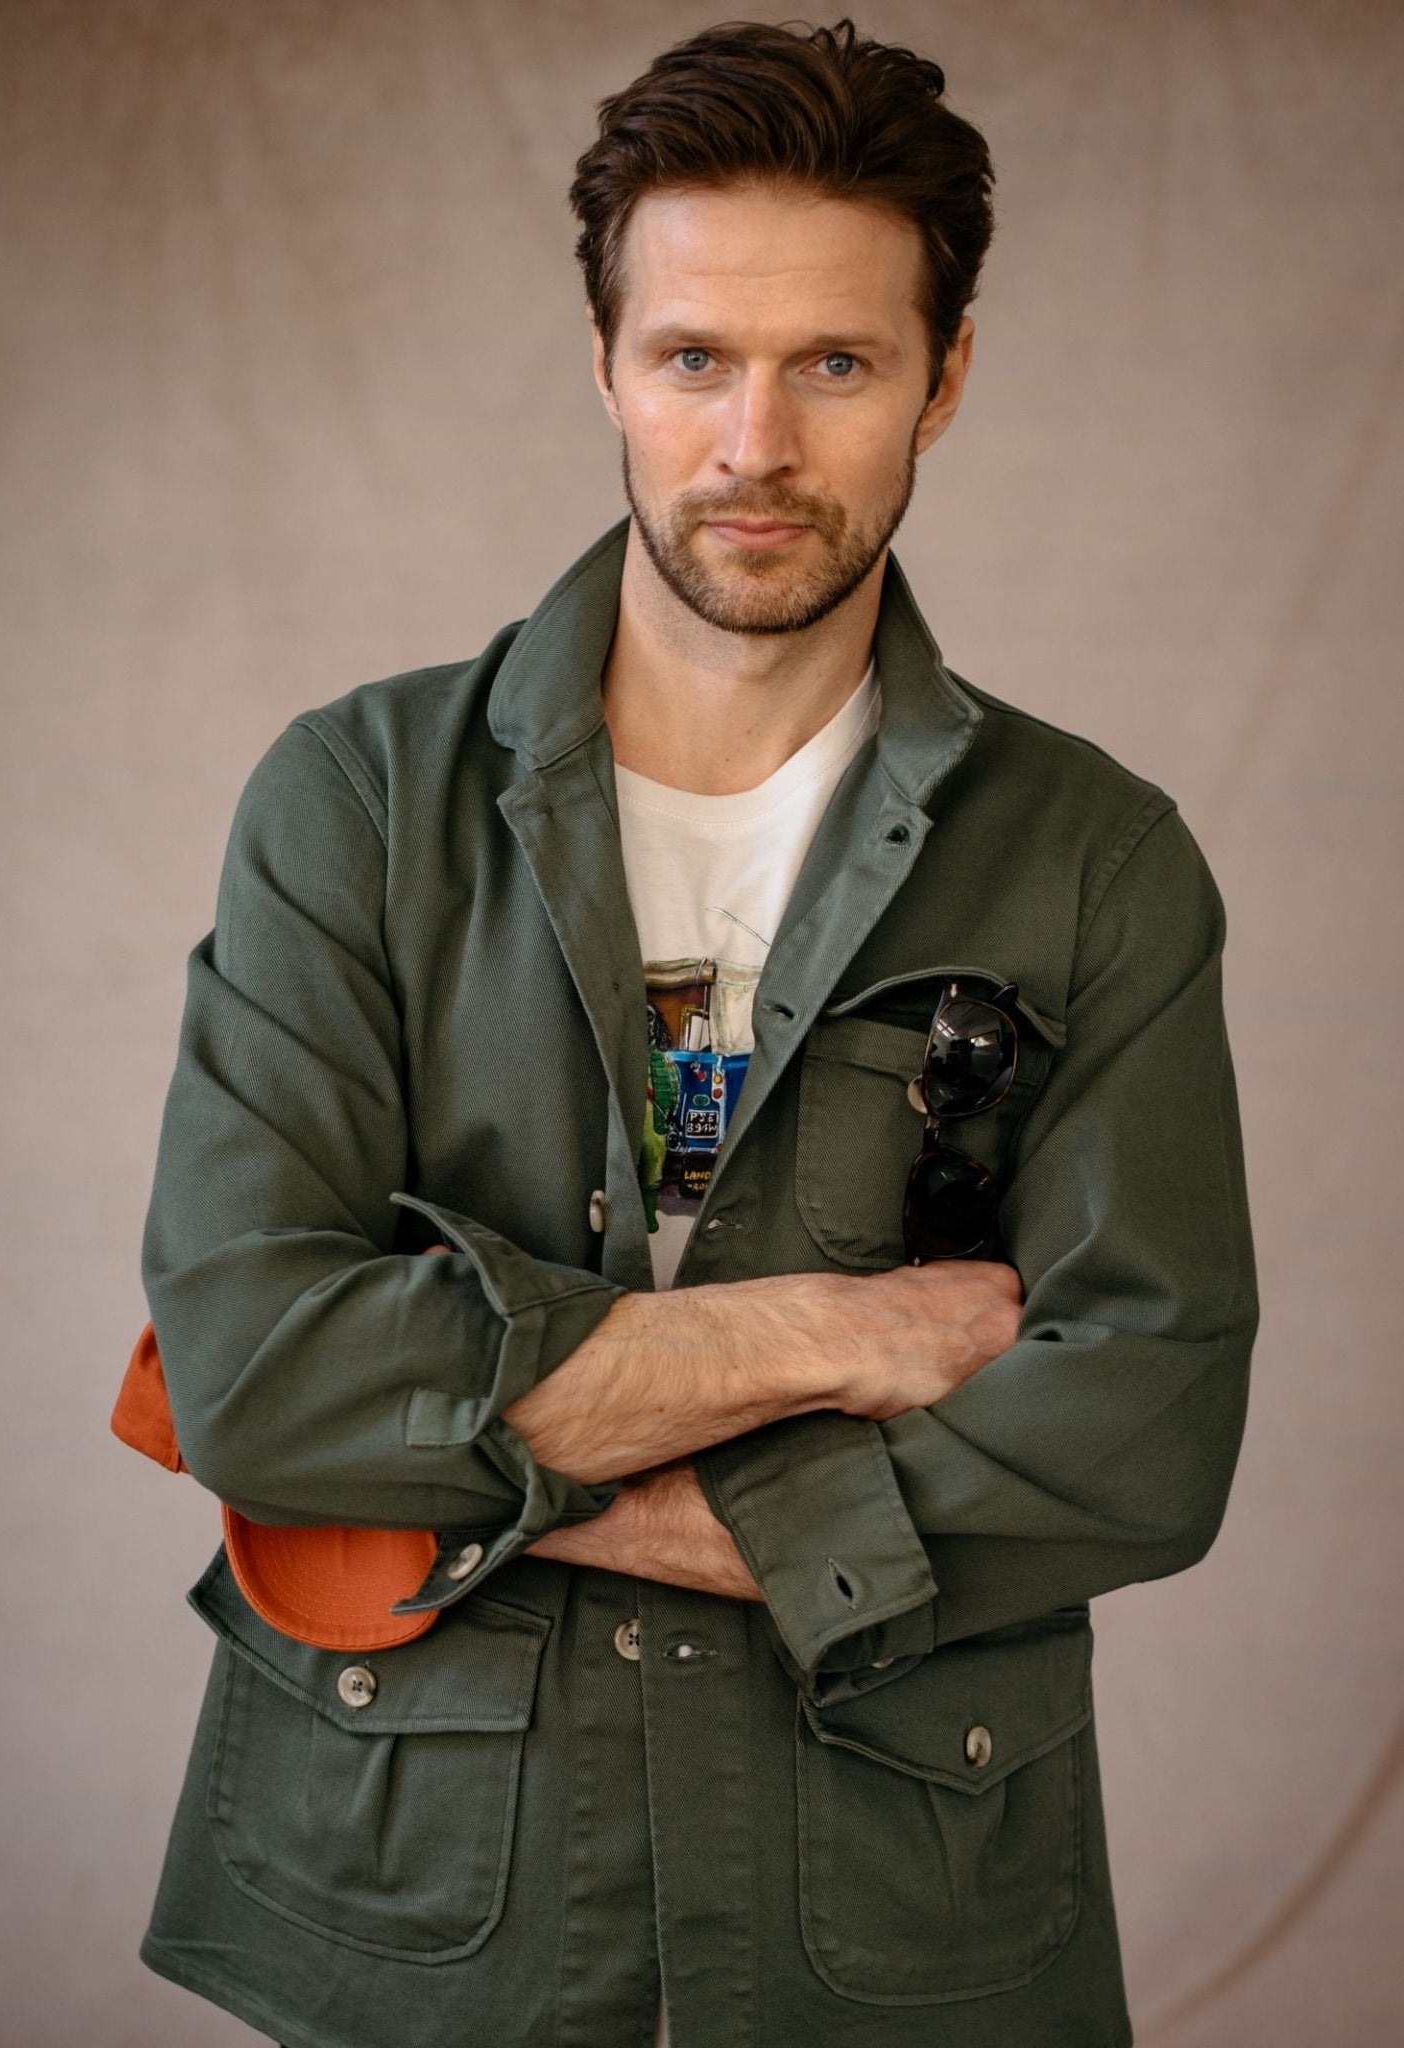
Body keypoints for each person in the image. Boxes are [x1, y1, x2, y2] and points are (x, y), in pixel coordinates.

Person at [132, 20, 1257, 2048]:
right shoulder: (355, 803)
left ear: (947, 377)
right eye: (693, 359)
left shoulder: (1097, 864)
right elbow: (247, 1365)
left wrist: (522, 1477)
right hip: (428, 1903)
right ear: (606, 368)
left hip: (892, 1907)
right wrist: (838, 1342)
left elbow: (1148, 1427)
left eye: (836, 362)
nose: (756, 442)